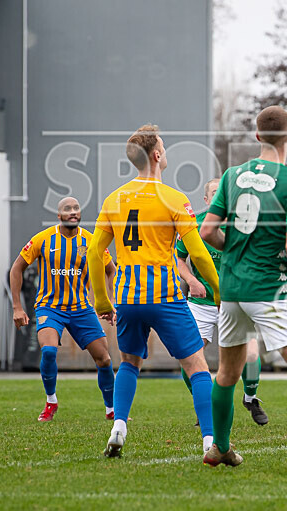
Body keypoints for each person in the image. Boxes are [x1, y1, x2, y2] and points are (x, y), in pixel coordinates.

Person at [200, 105, 287, 475]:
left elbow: (208, 232)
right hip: (268, 288)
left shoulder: (230, 175)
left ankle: (220, 448)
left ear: (257, 136)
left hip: (231, 289)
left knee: (226, 374)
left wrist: (236, 253)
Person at [88, 124, 219, 458]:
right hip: (164, 295)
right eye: (164, 145)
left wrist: (103, 300)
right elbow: (200, 253)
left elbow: (94, 252)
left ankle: (119, 427)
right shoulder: (174, 199)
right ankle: (209, 441)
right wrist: (219, 291)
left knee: (129, 363)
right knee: (197, 366)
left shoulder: (114, 198)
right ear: (158, 155)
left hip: (127, 297)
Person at [10, 197, 117, 422]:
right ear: (59, 216)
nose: (73, 212)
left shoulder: (92, 241)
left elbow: (111, 269)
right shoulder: (43, 239)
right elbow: (16, 268)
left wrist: (109, 302)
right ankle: (51, 402)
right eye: (67, 209)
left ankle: (111, 410)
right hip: (50, 307)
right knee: (48, 351)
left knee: (105, 359)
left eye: (76, 208)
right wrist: (17, 307)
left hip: (81, 308)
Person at [176, 178, 267, 426]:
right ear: (206, 199)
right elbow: (179, 259)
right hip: (202, 301)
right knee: (189, 356)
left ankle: (250, 398)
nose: (219, 197)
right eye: (214, 193)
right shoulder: (194, 224)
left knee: (250, 353)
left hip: (234, 301)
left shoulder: (245, 223)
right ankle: (203, 404)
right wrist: (191, 280)